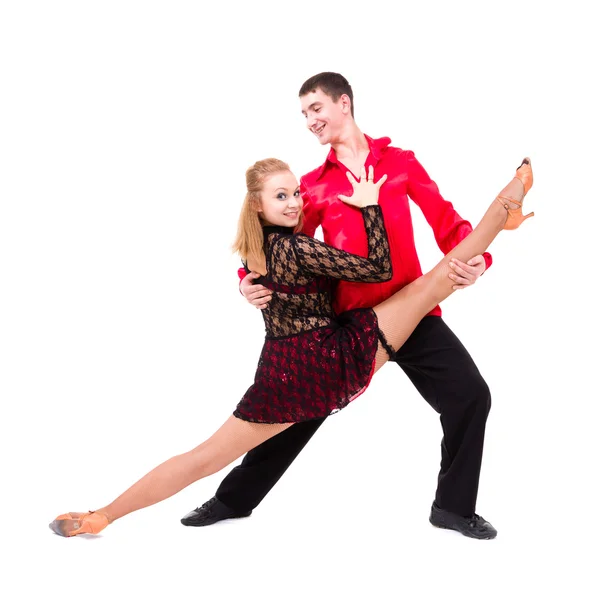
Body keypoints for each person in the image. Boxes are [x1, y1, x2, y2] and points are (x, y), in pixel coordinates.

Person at [49, 155, 534, 538]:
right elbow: (379, 270)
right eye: (282, 196)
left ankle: (102, 516)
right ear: (258, 205)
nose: (296, 202)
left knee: (202, 457)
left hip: (281, 375)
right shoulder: (295, 245)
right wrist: (369, 207)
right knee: (434, 283)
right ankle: (509, 198)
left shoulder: (258, 246)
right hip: (334, 356)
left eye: (295, 193)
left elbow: (253, 266)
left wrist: (245, 280)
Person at [182, 72, 519, 540]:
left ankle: (453, 508)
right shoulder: (313, 188)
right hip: (346, 327)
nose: (310, 120)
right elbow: (278, 248)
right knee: (296, 415)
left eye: (315, 109)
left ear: (344, 103)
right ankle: (232, 501)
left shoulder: (399, 164)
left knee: (470, 395)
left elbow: (448, 222)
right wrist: (245, 281)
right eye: (304, 114)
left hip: (413, 313)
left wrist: (478, 259)